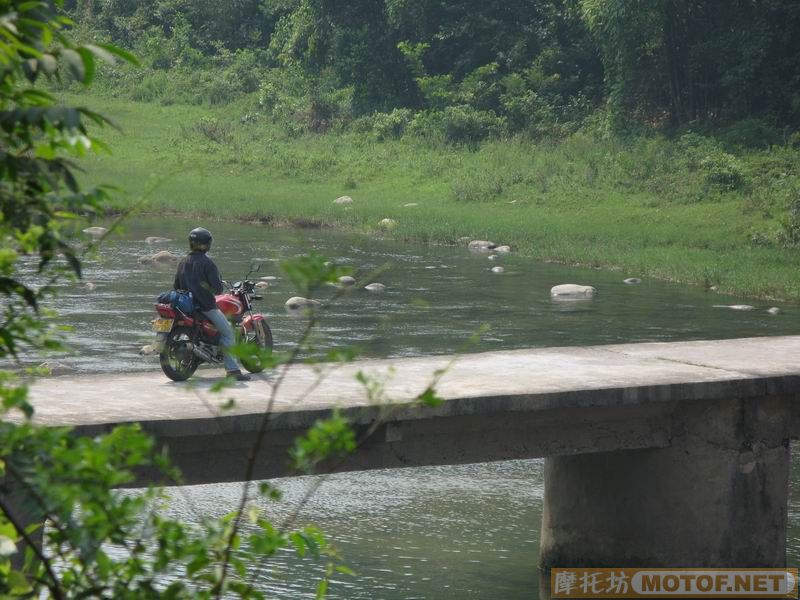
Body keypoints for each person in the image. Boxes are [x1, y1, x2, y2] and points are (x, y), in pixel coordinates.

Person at [174, 227, 250, 381]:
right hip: (205, 307)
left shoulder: (183, 261)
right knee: (229, 333)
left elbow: (176, 285)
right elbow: (217, 289)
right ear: (207, 244)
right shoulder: (207, 263)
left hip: (186, 307)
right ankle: (233, 371)